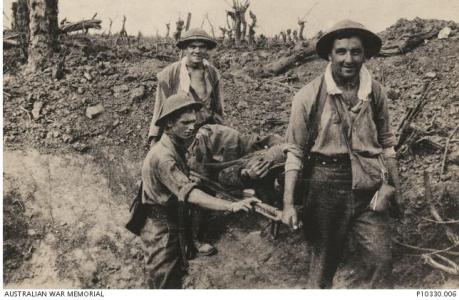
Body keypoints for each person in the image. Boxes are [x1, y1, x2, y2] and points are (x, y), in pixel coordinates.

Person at [280, 20, 402, 288]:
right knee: (323, 264)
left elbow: (387, 144)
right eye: (341, 51)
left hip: (368, 186)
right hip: (325, 185)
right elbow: (295, 153)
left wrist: (394, 188)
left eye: (356, 52)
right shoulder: (308, 96)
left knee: (381, 260)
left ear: (365, 55)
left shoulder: (375, 93)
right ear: (329, 55)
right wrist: (289, 205)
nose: (349, 59)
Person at [140, 94, 258, 289]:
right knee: (164, 279)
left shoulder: (177, 145)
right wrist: (232, 205)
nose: (191, 127)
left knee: (176, 272)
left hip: (172, 220)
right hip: (161, 227)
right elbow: (191, 194)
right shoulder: (164, 157)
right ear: (169, 124)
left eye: (193, 122)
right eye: (185, 123)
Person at [148, 28, 224, 146]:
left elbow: (219, 109)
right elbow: (159, 109)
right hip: (179, 134)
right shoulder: (170, 74)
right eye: (193, 47)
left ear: (206, 49)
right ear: (185, 49)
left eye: (202, 47)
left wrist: (221, 134)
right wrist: (154, 139)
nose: (197, 51)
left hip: (205, 133)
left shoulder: (213, 74)